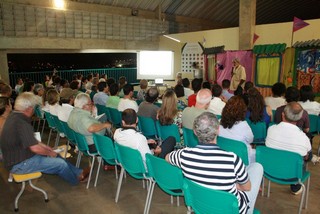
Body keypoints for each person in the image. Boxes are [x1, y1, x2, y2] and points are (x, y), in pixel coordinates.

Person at [166, 112, 263, 214]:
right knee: (257, 167)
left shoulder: (183, 155)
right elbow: (246, 188)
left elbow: (167, 158)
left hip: (200, 205)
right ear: (218, 130)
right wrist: (234, 185)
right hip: (231, 210)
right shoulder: (232, 159)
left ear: (194, 132)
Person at [0, 92, 89, 185]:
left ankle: (79, 173)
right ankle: (76, 181)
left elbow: (34, 141)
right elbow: (35, 148)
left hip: (18, 158)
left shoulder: (14, 117)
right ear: (29, 108)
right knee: (60, 164)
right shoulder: (22, 123)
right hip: (20, 164)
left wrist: (49, 149)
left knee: (55, 154)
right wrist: (50, 152)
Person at [266, 102, 319, 194]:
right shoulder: (304, 138)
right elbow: (306, 156)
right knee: (304, 157)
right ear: (299, 118)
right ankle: (295, 188)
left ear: (283, 115)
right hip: (292, 175)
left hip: (269, 170)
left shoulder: (271, 129)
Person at [219, 96, 255, 164]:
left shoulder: (219, 122)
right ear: (243, 111)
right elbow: (251, 140)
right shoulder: (244, 126)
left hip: (223, 158)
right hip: (241, 161)